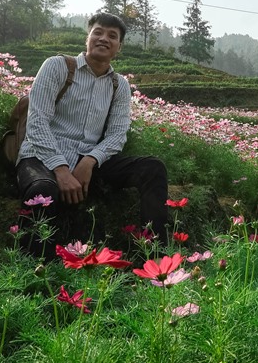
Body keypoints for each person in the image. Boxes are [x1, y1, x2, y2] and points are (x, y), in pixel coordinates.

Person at [15, 13, 168, 258]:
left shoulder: (119, 85)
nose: (104, 39)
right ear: (87, 38)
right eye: (98, 32)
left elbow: (117, 134)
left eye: (112, 36)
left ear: (119, 47)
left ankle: (155, 257)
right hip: (40, 157)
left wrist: (89, 161)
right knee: (43, 192)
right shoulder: (57, 66)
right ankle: (36, 269)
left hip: (88, 162)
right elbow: (37, 123)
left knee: (152, 168)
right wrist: (61, 170)